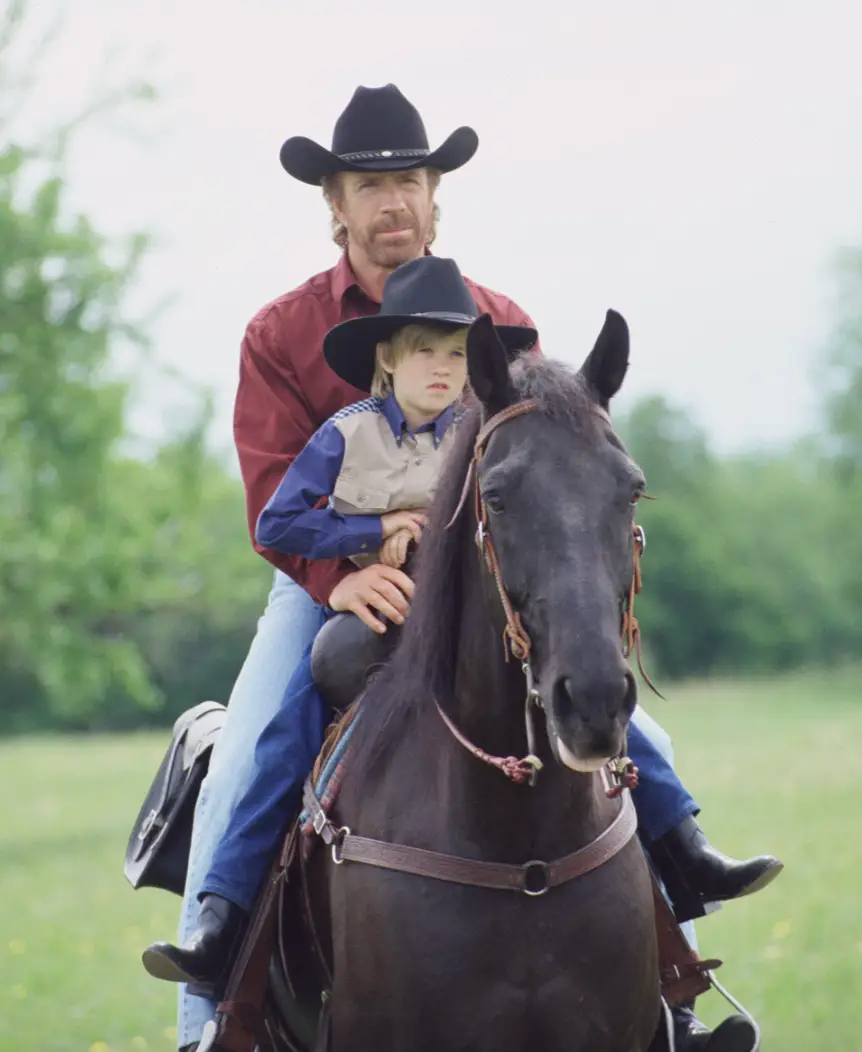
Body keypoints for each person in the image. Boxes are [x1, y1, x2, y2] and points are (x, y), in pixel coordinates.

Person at [149, 85, 778, 1052]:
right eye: (369, 183)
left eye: (409, 178)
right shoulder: (278, 335)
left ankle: (678, 985)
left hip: (478, 576)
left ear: (436, 193)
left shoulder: (503, 322)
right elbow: (272, 496)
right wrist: (339, 581)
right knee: (256, 740)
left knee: (619, 716)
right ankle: (209, 1004)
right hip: (327, 577)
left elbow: (538, 472)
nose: (392, 200)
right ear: (336, 205)